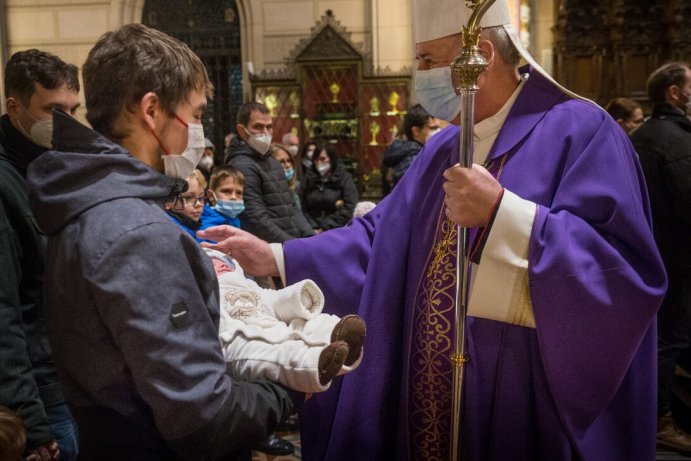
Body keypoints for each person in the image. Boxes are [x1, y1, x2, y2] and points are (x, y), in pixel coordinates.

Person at [197, 0, 667, 459]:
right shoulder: (443, 148)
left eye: (427, 60)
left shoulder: (581, 130)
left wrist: (502, 214)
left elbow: (622, 272)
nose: (420, 75)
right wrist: (276, 256)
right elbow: (379, 238)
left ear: (478, 55)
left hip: (521, 395)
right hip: (427, 392)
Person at [27, 24, 298, 460]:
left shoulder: (85, 197)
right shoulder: (138, 231)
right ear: (151, 110)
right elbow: (203, 420)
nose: (199, 131)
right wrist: (285, 387)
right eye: (194, 114)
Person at [0, 49, 80, 461]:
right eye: (53, 109)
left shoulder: (52, 167)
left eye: (73, 109)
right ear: (15, 107)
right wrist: (31, 422)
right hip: (42, 393)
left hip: (72, 376)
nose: (65, 122)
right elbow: (4, 314)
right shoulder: (6, 182)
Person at [630, 62, 691, 455]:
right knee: (670, 340)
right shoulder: (677, 141)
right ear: (674, 92)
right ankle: (659, 420)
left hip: (642, 259)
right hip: (677, 260)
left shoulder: (638, 136)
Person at [207, 248, 365, 393]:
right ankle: (315, 363)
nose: (220, 267)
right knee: (267, 355)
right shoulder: (204, 296)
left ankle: (337, 336)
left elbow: (273, 299)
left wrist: (300, 297)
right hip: (237, 337)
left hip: (272, 323)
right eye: (212, 264)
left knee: (305, 322)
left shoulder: (247, 285)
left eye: (222, 263)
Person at [226, 102, 314, 243]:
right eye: (258, 127)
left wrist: (310, 238)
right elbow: (257, 218)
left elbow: (291, 206)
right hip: (272, 248)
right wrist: (292, 245)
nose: (265, 132)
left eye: (269, 127)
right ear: (242, 130)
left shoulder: (273, 162)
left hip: (291, 244)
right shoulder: (242, 165)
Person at [381, 104, 439, 195]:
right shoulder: (413, 159)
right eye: (431, 128)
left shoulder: (402, 152)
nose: (437, 132)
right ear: (416, 131)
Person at [301, 144, 359, 232]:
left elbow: (350, 206)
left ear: (332, 159)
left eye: (323, 159)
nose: (319, 162)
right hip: (311, 230)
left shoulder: (344, 178)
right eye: (316, 159)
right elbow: (302, 207)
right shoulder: (308, 179)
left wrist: (325, 227)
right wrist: (313, 227)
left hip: (337, 229)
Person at [164, 169, 208, 241]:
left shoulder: (203, 226)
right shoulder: (171, 235)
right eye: (188, 197)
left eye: (201, 197)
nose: (198, 204)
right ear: (168, 202)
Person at [201, 165, 245, 230]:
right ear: (211, 195)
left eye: (239, 193)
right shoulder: (209, 227)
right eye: (226, 191)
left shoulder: (234, 220)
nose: (234, 197)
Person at [271, 143, 301, 208]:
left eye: (289, 161)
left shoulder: (295, 187)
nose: (287, 165)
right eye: (281, 162)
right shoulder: (269, 193)